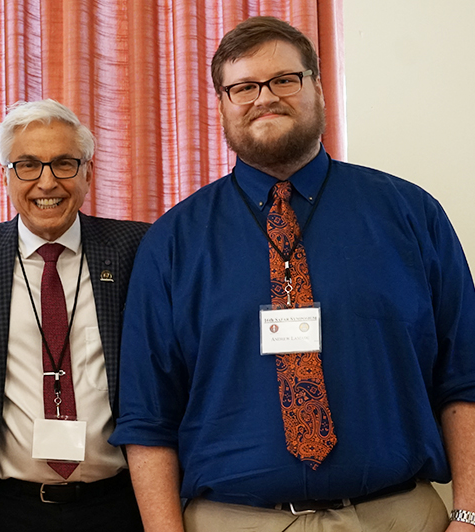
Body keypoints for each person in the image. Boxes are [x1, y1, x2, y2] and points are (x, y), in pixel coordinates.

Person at [110, 16, 475, 532]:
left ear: (318, 86)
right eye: (243, 87)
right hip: (231, 521)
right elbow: (148, 417)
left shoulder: (412, 215)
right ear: (221, 103)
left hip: (397, 517)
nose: (265, 97)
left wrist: (470, 513)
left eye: (284, 79)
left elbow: (466, 375)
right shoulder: (171, 243)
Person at [0, 99, 149, 532]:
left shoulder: (134, 250)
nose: (47, 182)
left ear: (87, 171)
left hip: (116, 505)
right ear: (6, 175)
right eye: (27, 165)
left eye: (64, 163)